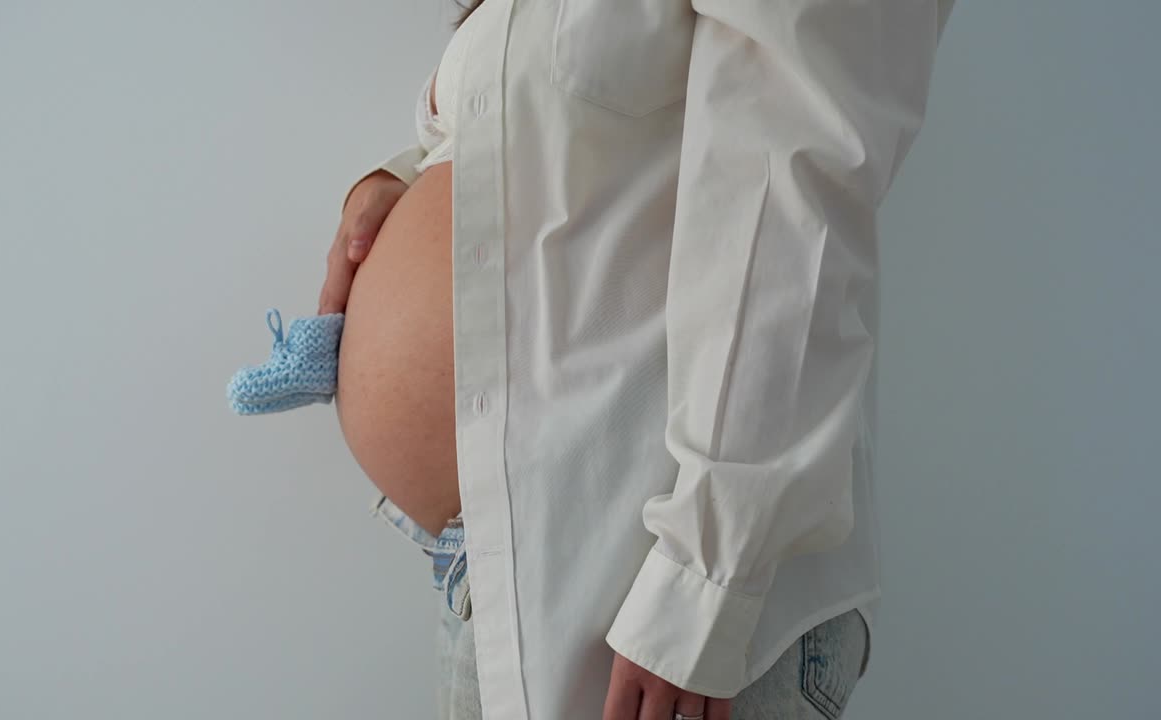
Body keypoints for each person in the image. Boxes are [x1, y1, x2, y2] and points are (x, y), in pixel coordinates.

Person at [318, 0, 956, 717]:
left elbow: (793, 190)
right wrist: (409, 176)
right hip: (502, 572)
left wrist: (703, 581)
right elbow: (549, 131)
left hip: (648, 581)